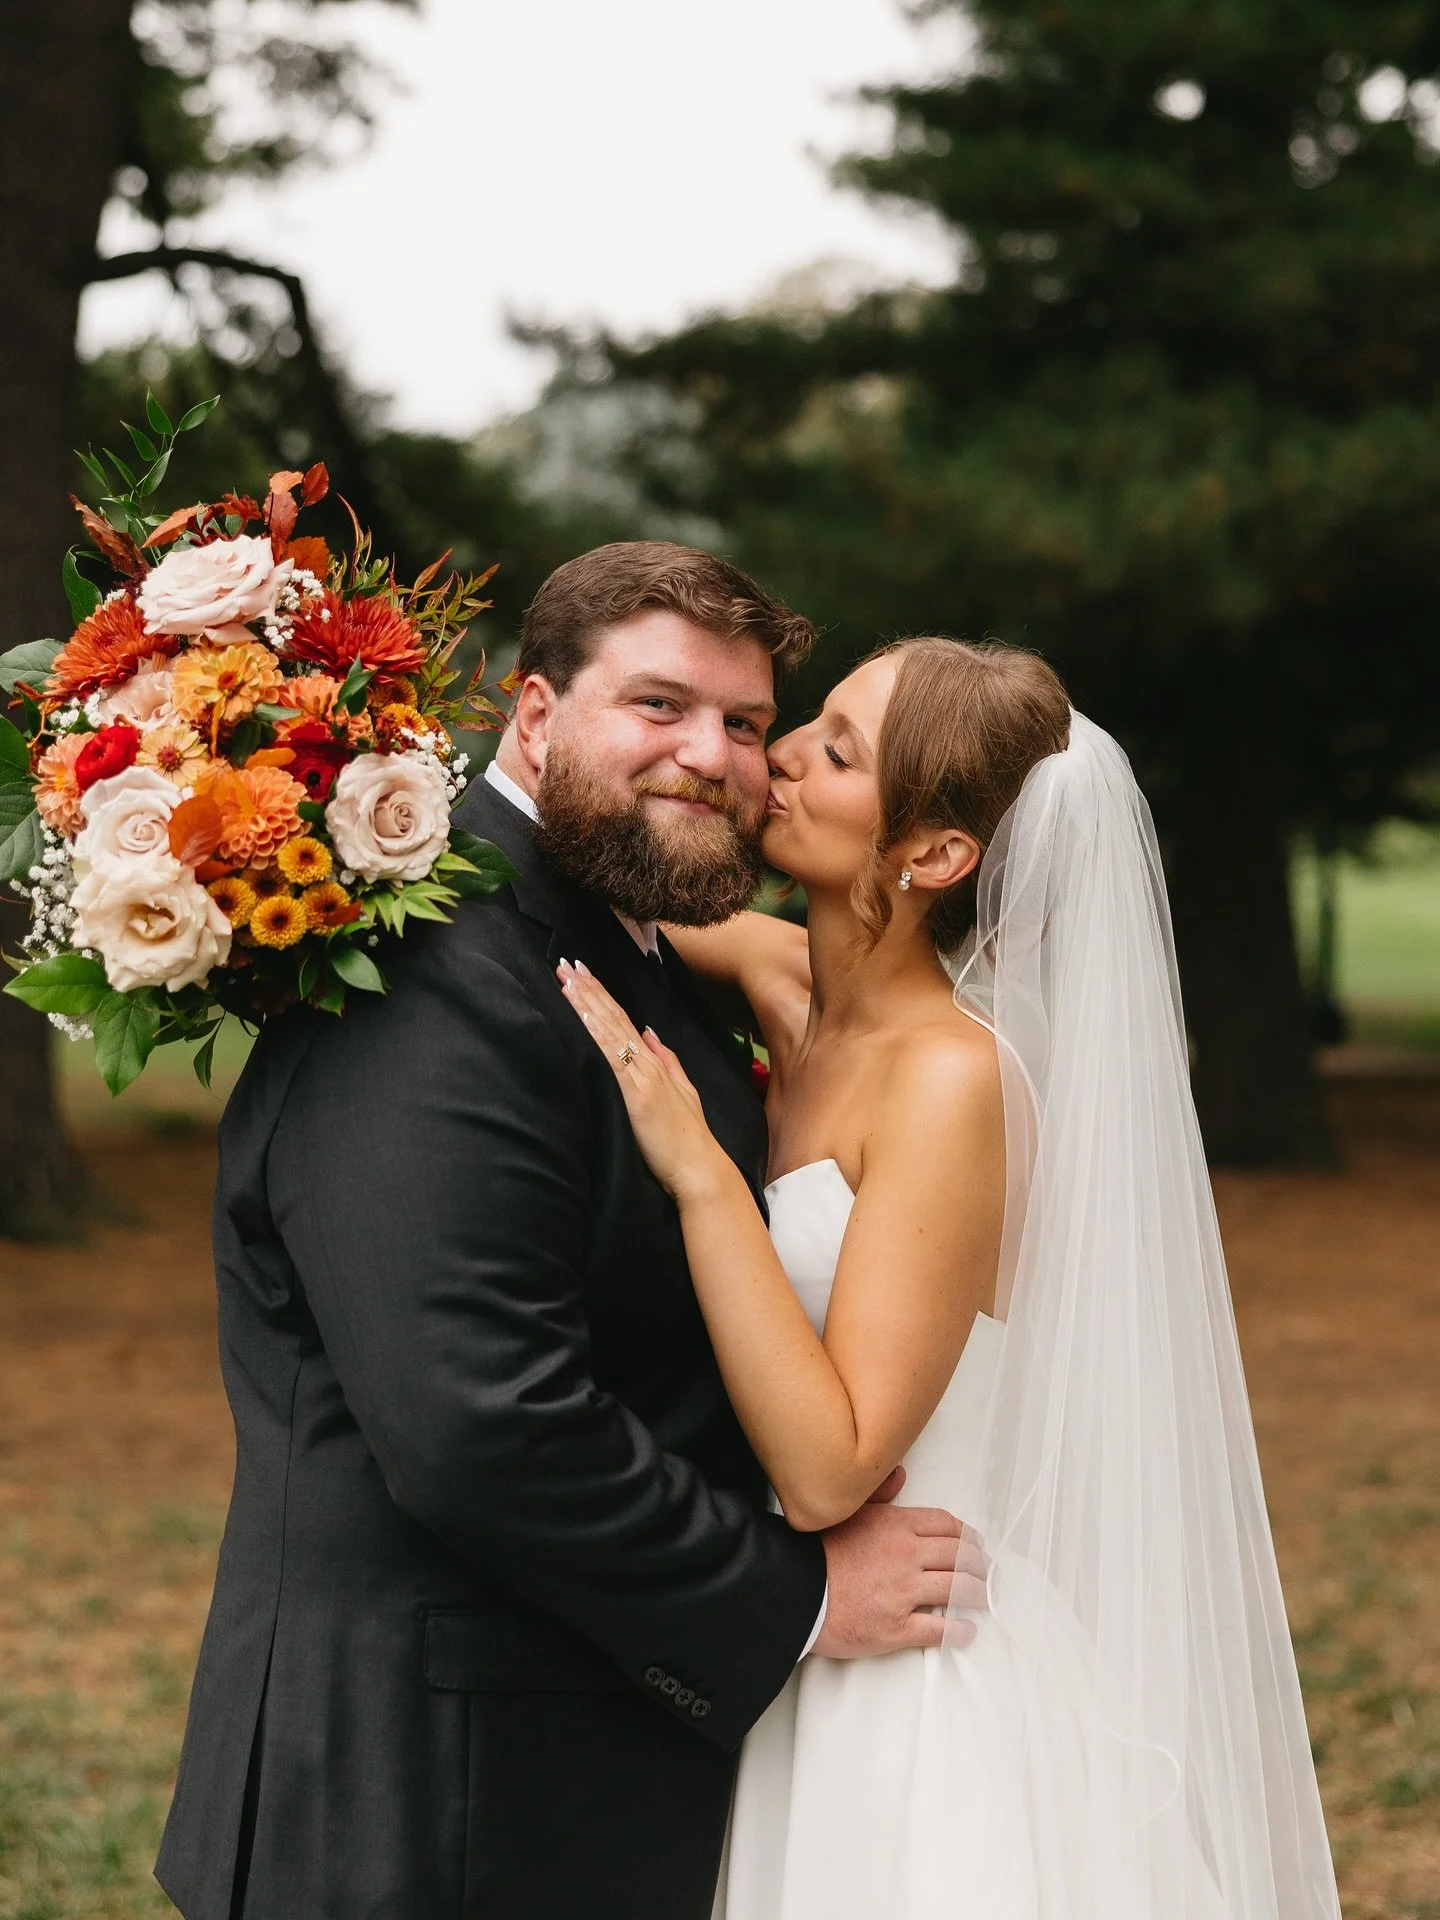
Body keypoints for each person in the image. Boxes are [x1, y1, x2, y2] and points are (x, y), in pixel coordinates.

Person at [155, 546, 986, 1920]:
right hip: (424, 1809)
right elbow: (483, 1423)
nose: (711, 756)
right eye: (657, 706)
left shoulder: (619, 939)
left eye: (744, 725)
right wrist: (791, 1602)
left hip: (558, 1774)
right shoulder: (434, 980)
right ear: (533, 717)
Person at [561, 637, 1343, 1919]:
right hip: (792, 1649)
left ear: (932, 857)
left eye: (840, 751)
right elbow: (586, 891)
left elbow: (832, 1465)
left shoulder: (948, 1079)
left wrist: (706, 1178)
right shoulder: (794, 988)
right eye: (805, 725)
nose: (781, 757)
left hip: (915, 1676)